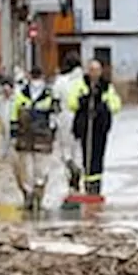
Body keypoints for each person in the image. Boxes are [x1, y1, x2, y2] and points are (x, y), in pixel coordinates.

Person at [67, 58, 122, 196]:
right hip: (85, 126)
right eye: (92, 70)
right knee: (85, 155)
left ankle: (96, 186)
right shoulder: (80, 85)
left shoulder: (106, 87)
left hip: (100, 127)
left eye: (97, 70)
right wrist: (82, 101)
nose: (94, 73)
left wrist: (104, 106)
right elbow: (71, 102)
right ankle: (87, 184)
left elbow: (116, 104)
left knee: (98, 155)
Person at [10, 67, 58, 209]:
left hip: (42, 137)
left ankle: (38, 192)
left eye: (38, 77)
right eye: (34, 76)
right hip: (25, 136)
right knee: (26, 168)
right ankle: (28, 194)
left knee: (41, 168)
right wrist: (13, 133)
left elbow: (55, 115)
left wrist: (53, 132)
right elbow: (14, 113)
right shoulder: (21, 93)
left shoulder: (49, 94)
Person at [53, 55, 85, 190]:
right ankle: (78, 169)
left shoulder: (60, 81)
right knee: (79, 148)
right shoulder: (84, 80)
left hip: (64, 117)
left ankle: (70, 170)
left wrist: (55, 120)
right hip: (81, 117)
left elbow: (55, 101)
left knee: (66, 149)